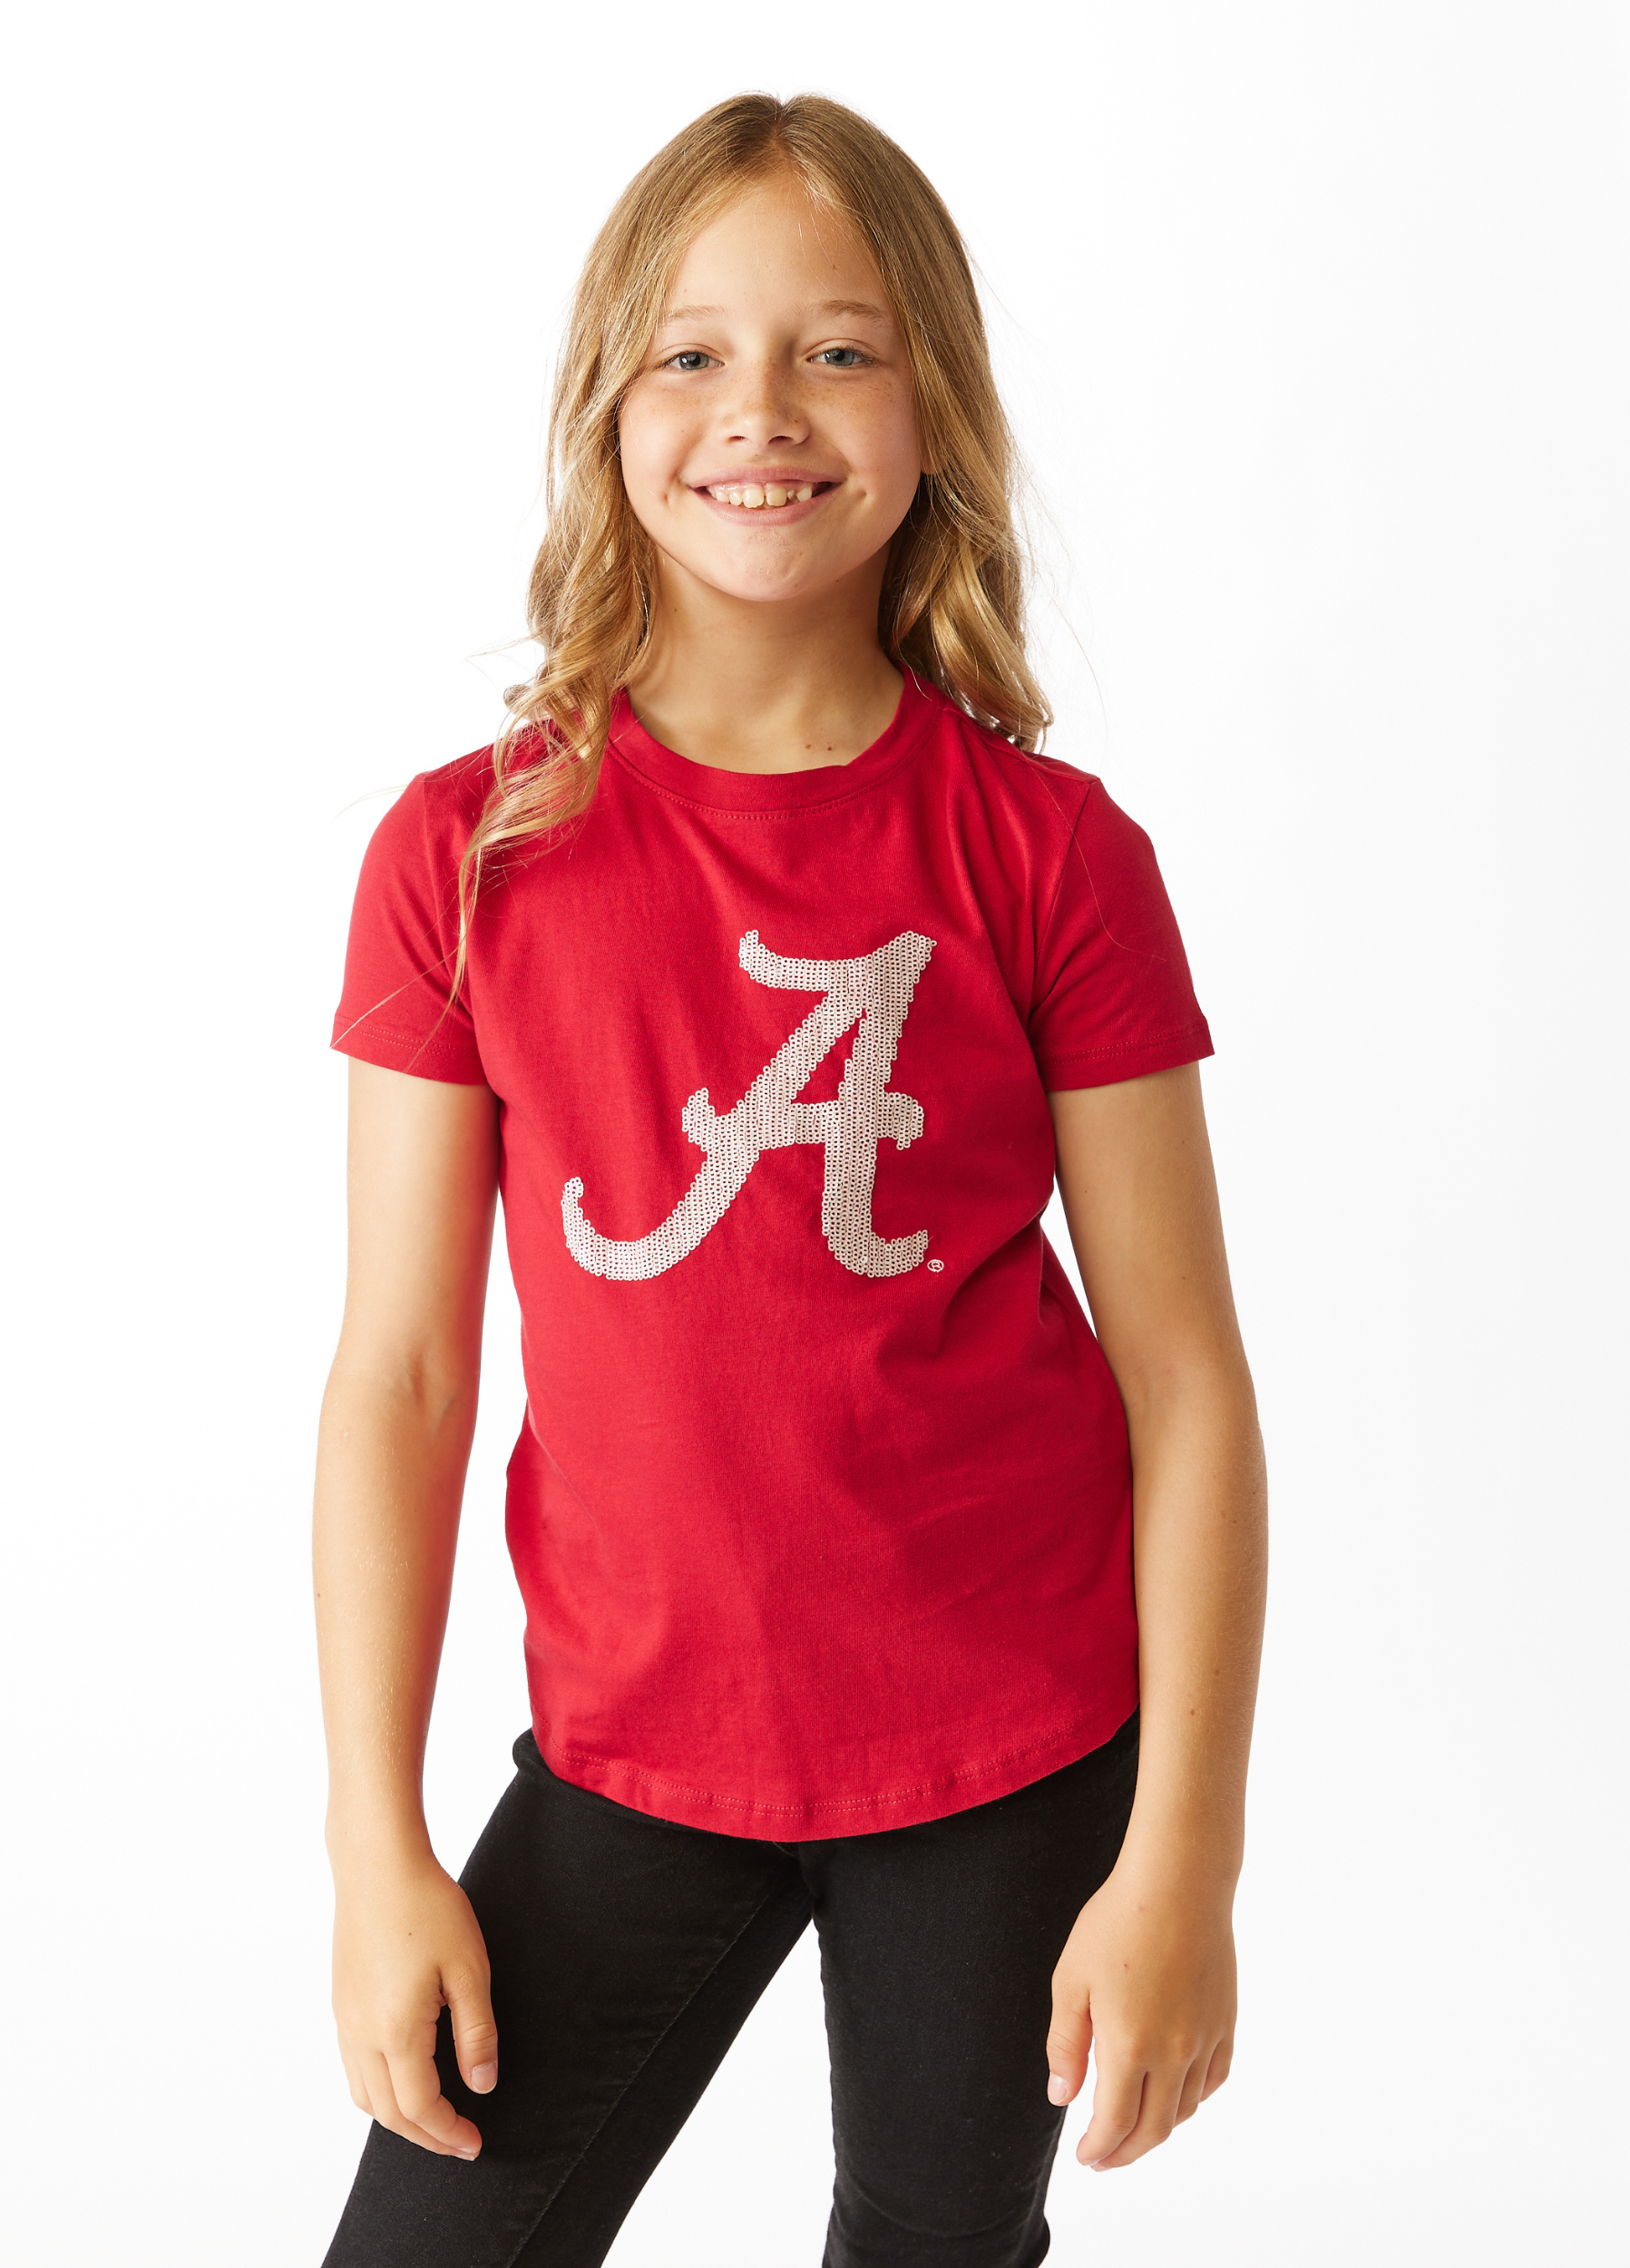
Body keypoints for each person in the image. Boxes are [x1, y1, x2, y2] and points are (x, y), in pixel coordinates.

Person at [314, 91, 1267, 2268]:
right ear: (607, 404)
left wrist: (1184, 1854)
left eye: (837, 348)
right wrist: (375, 1838)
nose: (761, 407)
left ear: (932, 406)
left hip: (1009, 1747)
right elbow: (399, 1376)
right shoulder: (460, 857)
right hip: (633, 1749)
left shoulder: (1049, 854)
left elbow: (1187, 1380)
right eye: (692, 352)